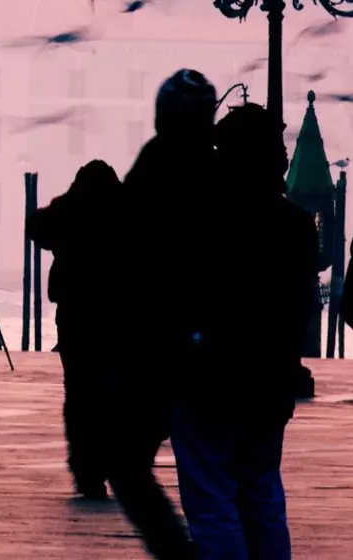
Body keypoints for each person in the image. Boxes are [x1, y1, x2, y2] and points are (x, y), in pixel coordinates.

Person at [171, 103, 315, 560]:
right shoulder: (296, 225)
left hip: (208, 380)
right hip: (269, 382)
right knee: (263, 495)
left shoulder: (200, 220)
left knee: (213, 501)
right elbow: (301, 307)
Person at [106, 69, 218, 559]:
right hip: (198, 339)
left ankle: (177, 551)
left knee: (127, 463)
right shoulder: (215, 170)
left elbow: (128, 253)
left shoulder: (155, 167)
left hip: (157, 344)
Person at [30, 158, 126, 500]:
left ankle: (86, 469)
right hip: (116, 316)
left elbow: (36, 226)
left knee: (79, 392)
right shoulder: (125, 212)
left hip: (75, 313)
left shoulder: (67, 211)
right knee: (114, 392)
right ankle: (112, 461)